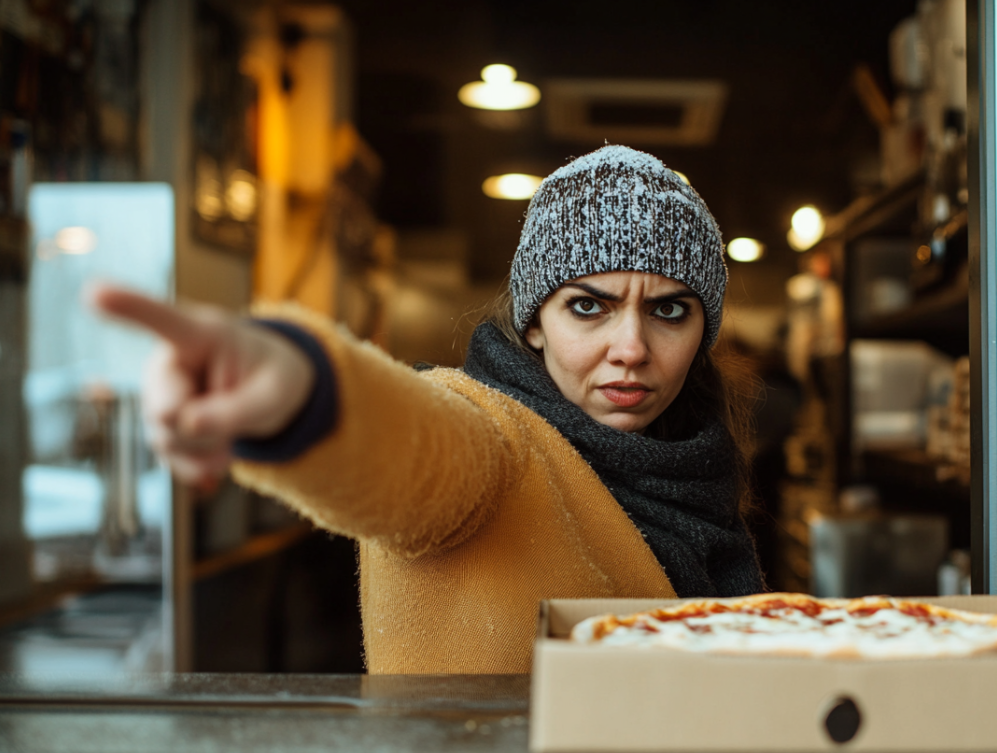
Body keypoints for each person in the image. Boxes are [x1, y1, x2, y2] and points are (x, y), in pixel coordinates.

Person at [90, 145, 765, 674]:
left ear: (701, 335)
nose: (631, 348)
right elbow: (418, 445)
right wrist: (303, 387)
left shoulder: (698, 475)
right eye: (588, 306)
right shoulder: (498, 442)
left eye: (669, 310)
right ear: (533, 323)